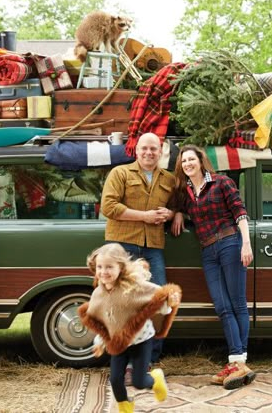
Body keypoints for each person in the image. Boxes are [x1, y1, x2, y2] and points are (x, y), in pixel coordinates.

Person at [170, 144, 255, 390]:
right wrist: (177, 213)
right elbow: (177, 206)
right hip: (207, 250)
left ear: (200, 161)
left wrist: (245, 244)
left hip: (230, 242)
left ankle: (237, 361)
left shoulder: (221, 182)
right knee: (222, 306)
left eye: (191, 160)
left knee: (237, 302)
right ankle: (238, 365)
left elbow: (240, 213)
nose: (187, 164)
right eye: (184, 161)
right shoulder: (186, 192)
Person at [101, 132, 176, 367]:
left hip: (153, 247)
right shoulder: (120, 173)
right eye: (144, 148)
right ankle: (124, 360)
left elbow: (179, 204)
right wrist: (144, 216)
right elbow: (108, 206)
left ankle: (149, 360)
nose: (148, 153)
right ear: (136, 149)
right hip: (123, 248)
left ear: (161, 150)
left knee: (159, 303)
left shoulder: (169, 179)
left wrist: (173, 213)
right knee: (123, 305)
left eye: (153, 149)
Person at [78, 243, 182, 413]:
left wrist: (169, 302)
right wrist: (100, 342)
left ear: (121, 267)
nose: (103, 272)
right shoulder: (98, 294)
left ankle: (155, 379)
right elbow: (103, 322)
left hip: (142, 340)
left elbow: (158, 297)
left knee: (139, 382)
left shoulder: (133, 287)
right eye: (100, 267)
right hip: (119, 343)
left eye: (109, 267)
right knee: (115, 380)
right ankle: (125, 406)